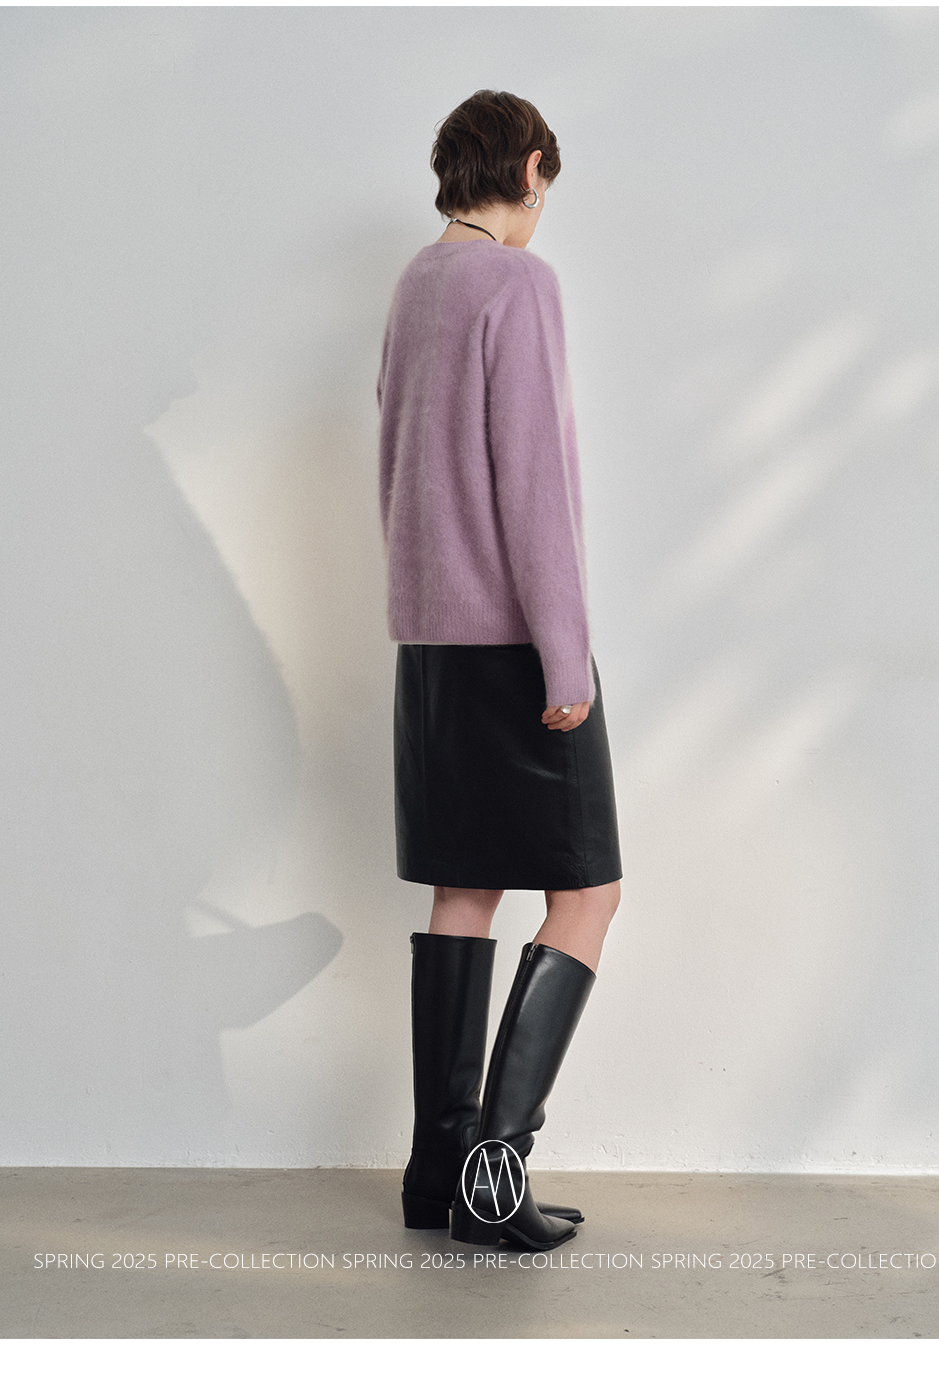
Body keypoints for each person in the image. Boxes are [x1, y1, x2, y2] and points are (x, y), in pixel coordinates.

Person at [376, 90, 622, 1252]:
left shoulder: (415, 283)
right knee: (587, 893)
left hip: (429, 644)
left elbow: (396, 455)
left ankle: (437, 1171)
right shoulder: (517, 283)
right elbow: (533, 484)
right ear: (530, 169)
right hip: (516, 643)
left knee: (464, 888)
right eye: (545, 185)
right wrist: (563, 652)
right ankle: (493, 1170)